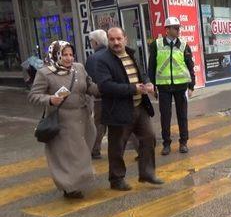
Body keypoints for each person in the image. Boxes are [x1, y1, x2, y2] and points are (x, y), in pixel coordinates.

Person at [94, 27, 163, 191]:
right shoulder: (103, 60)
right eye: (112, 39)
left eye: (119, 38)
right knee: (117, 146)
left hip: (139, 107)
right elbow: (105, 86)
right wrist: (133, 89)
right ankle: (116, 179)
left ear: (125, 38)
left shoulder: (131, 54)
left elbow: (142, 73)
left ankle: (147, 173)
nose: (116, 42)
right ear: (108, 41)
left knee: (149, 138)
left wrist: (148, 83)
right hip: (118, 110)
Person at [28, 41, 99, 199]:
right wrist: (50, 99)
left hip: (83, 117)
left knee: (83, 149)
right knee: (67, 154)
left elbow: (89, 86)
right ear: (55, 55)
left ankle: (77, 180)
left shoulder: (79, 68)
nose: (69, 58)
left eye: (71, 54)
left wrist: (103, 88)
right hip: (63, 120)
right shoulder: (45, 73)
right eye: (64, 54)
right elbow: (33, 96)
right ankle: (69, 186)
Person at [148, 17, 196, 155]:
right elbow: (151, 67)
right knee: (165, 116)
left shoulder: (184, 45)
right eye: (175, 28)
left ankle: (183, 142)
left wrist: (191, 86)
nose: (178, 30)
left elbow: (190, 66)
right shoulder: (156, 45)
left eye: (178, 28)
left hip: (181, 86)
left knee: (182, 116)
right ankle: (166, 144)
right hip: (164, 87)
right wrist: (152, 85)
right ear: (167, 29)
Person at [85, 30, 109, 159]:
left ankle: (95, 150)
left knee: (99, 123)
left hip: (100, 96)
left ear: (95, 42)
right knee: (123, 123)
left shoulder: (92, 58)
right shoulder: (112, 53)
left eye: (91, 41)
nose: (90, 44)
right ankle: (141, 148)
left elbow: (89, 80)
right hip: (115, 95)